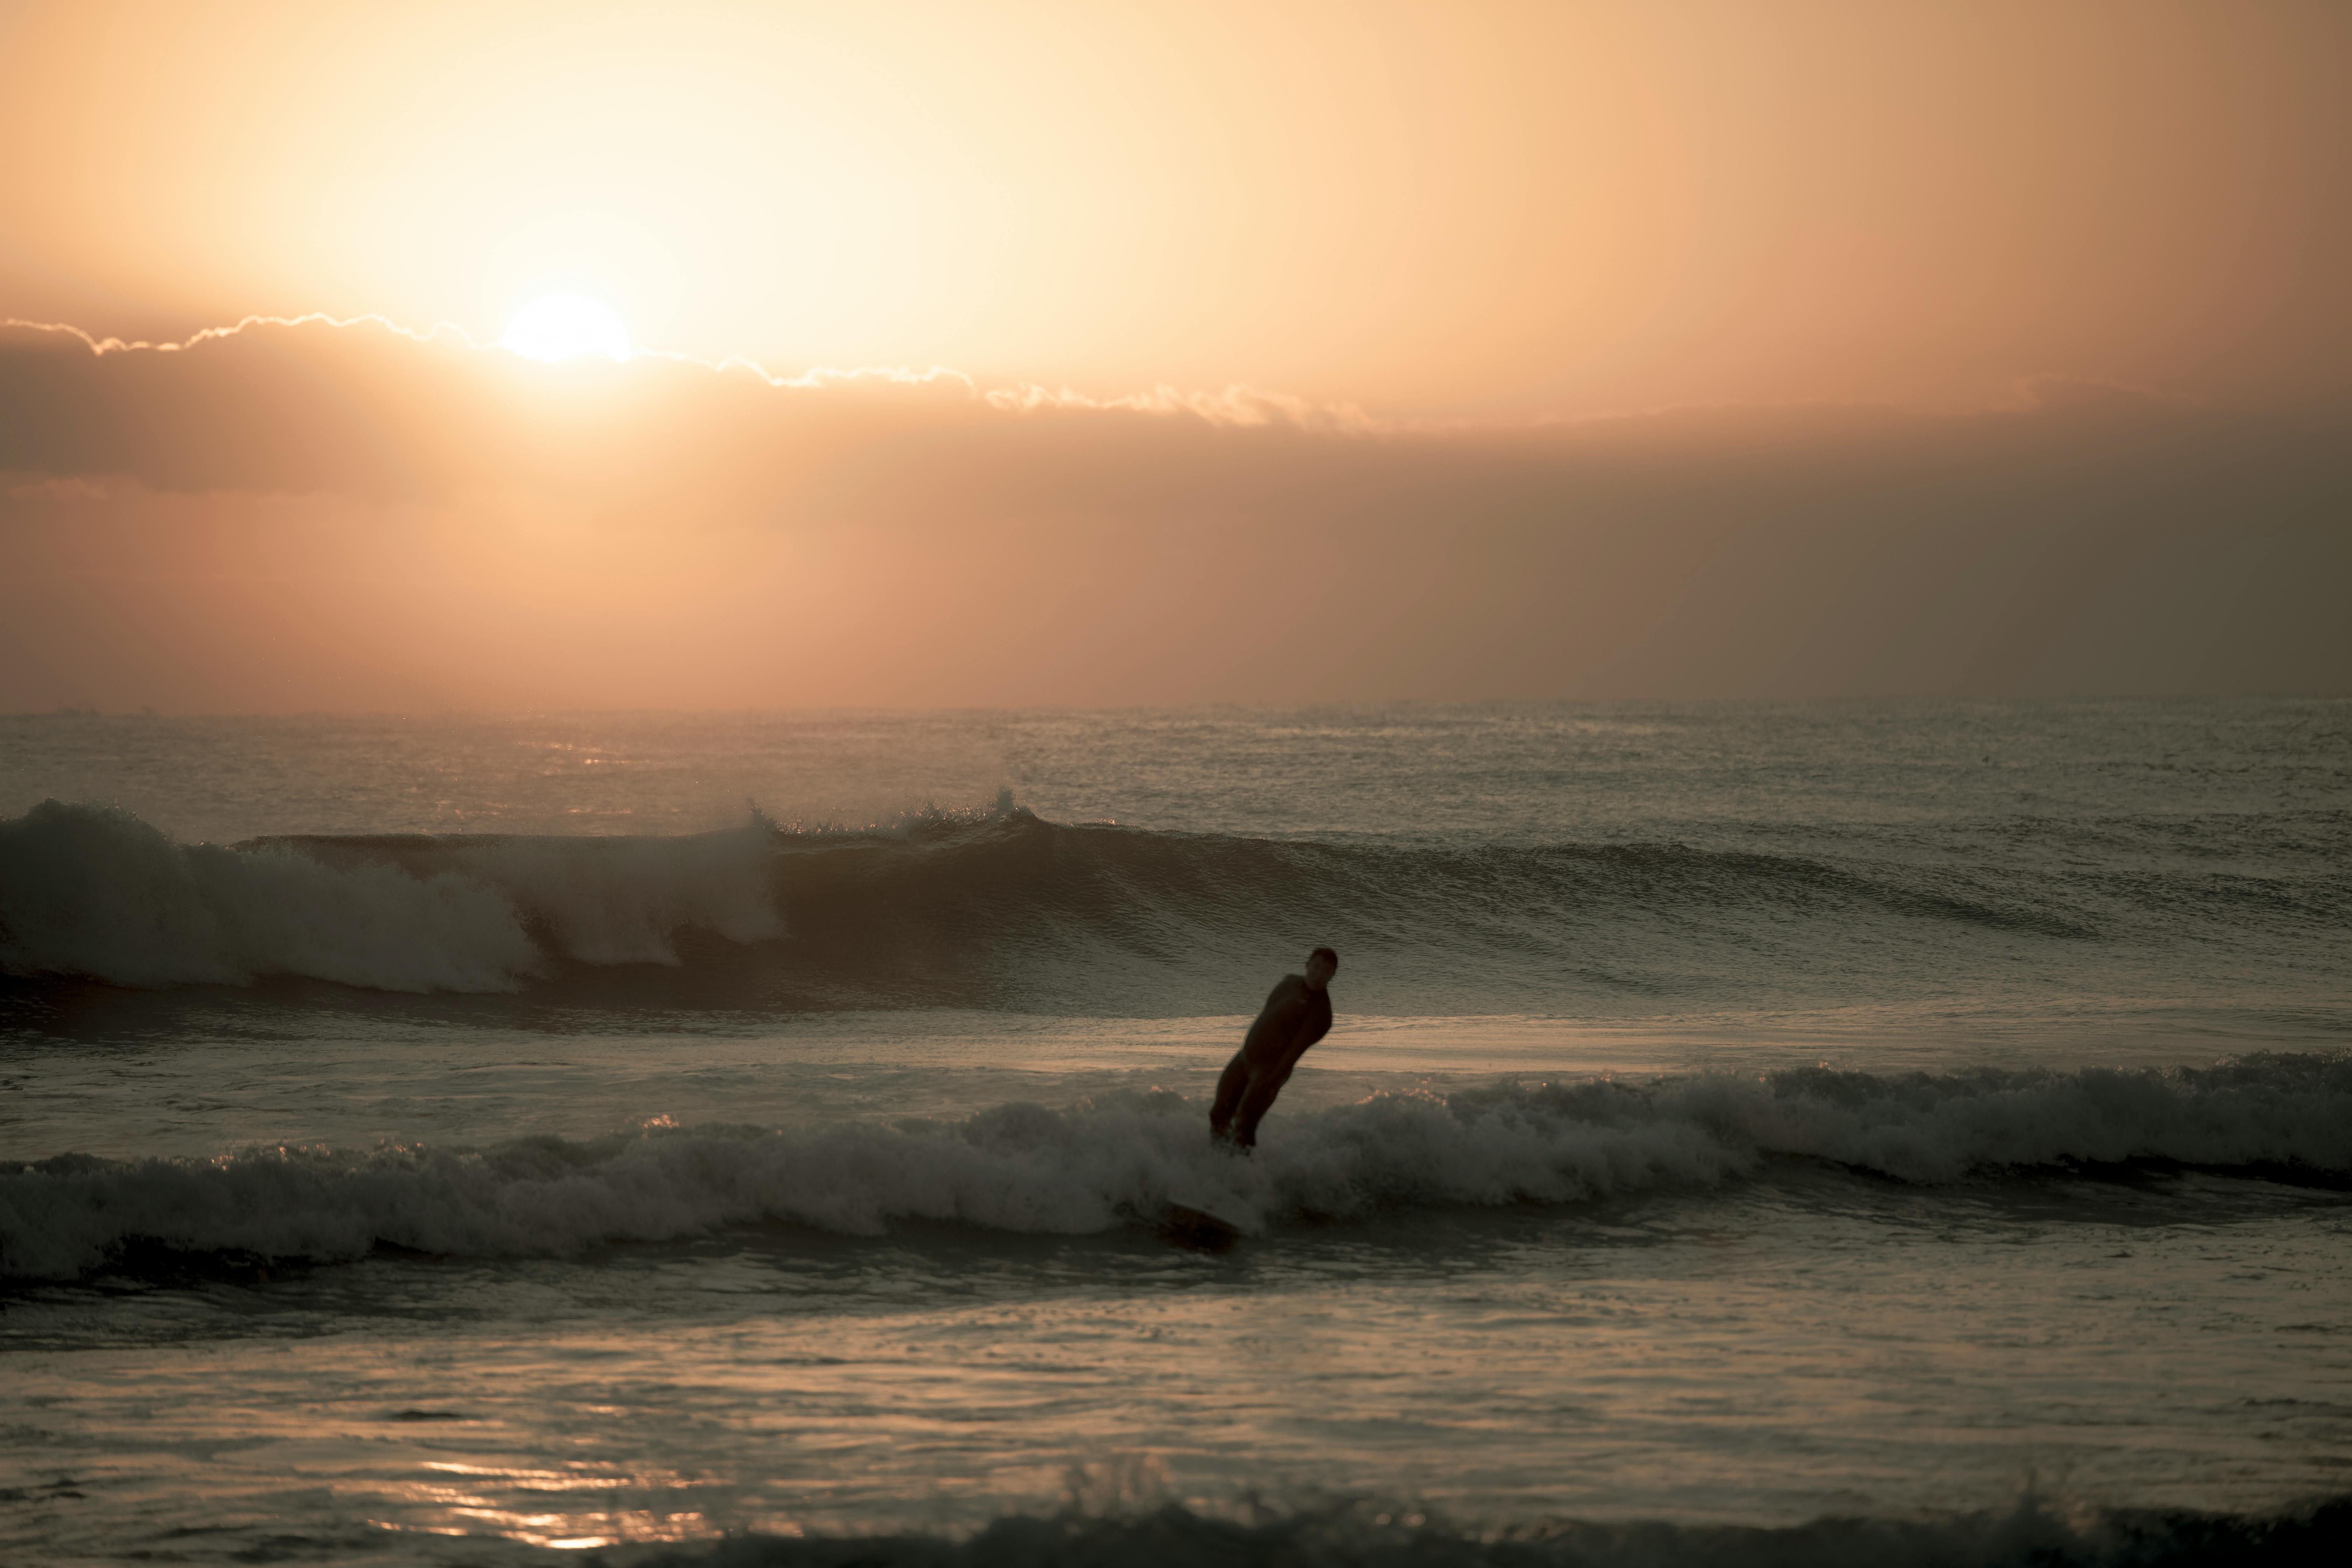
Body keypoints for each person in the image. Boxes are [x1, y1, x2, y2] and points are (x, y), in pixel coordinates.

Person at [1210, 947, 1338, 1149]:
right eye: (1317, 967)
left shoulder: (1321, 1013)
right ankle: (1217, 1161)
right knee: (1218, 1115)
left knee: (1244, 1127)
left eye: (1327, 971)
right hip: (1244, 1058)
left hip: (1268, 1072)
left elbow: (1294, 1053)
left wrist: (1269, 1083)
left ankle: (1244, 1175)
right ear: (1308, 965)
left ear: (1333, 976)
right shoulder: (1289, 982)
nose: (1319, 974)